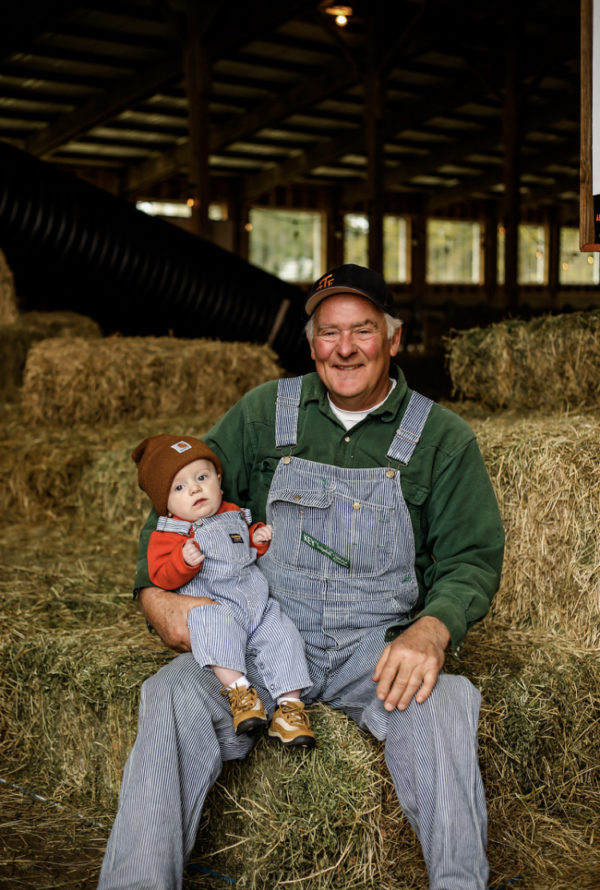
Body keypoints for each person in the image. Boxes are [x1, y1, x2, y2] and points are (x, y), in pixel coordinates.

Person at [98, 263, 504, 890]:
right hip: (264, 633)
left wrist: (432, 628)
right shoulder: (265, 413)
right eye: (329, 332)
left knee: (444, 703)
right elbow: (173, 498)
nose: (345, 348)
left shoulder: (441, 438)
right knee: (172, 694)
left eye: (362, 330)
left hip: (374, 650)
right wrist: (156, 596)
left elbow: (471, 556)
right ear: (312, 344)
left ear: (394, 339)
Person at [131, 434, 315, 745]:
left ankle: (290, 708)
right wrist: (182, 561)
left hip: (258, 605)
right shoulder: (168, 535)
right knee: (210, 624)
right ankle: (240, 693)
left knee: (284, 635)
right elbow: (159, 576)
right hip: (218, 606)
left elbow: (244, 551)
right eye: (179, 488)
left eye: (202, 477)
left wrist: (257, 539)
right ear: (166, 505)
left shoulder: (234, 514)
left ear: (218, 479)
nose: (195, 489)